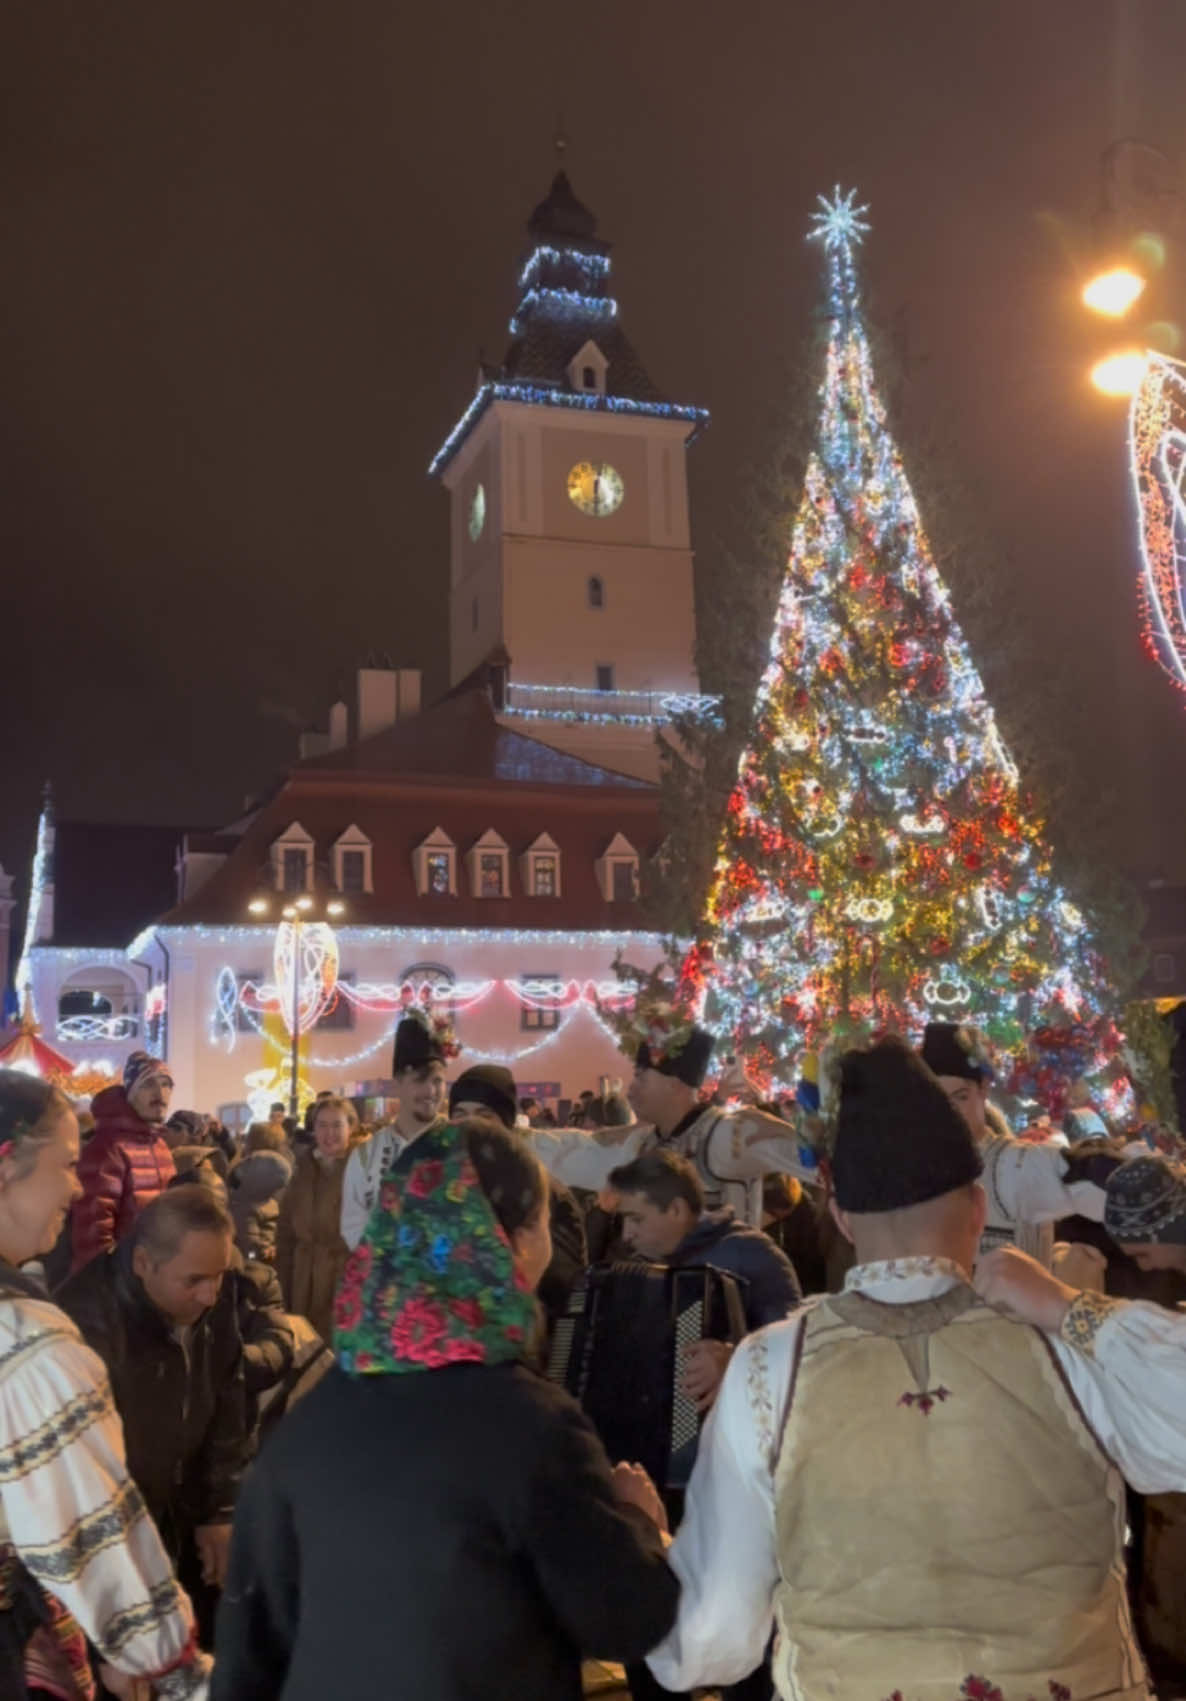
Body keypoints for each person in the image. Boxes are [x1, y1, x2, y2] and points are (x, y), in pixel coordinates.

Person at [647, 1036, 1186, 1698]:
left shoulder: (768, 1369)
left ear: (841, 1216)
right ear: (981, 1208)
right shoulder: (1060, 1345)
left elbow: (711, 1644)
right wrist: (1073, 1307)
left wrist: (648, 1541)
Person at [213, 1116, 676, 1701]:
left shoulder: (307, 1424)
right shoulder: (530, 1427)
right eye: (543, 1220)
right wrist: (639, 1524)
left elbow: (246, 1662)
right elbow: (627, 1618)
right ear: (509, 1241)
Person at [0, 1070, 210, 1700]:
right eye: (66, 1163)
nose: (76, 1183)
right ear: (7, 1167)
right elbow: (94, 1541)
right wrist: (172, 1669)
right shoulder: (31, 1351)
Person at [57, 1186, 248, 1633]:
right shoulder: (84, 1323)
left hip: (186, 1525)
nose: (211, 1295)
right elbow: (80, 1480)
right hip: (119, 1549)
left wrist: (219, 1508)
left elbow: (227, 1394)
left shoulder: (211, 1290)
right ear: (143, 1263)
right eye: (194, 1281)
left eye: (219, 1276)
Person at [530, 1026, 819, 1227]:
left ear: (674, 1083)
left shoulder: (728, 1133)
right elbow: (577, 1147)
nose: (630, 1091)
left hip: (728, 1298)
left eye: (642, 1078)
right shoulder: (644, 1143)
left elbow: (817, 1162)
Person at [920, 1020, 1118, 1263]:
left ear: (983, 1089)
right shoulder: (912, 1169)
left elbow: (1107, 1188)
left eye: (960, 1097)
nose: (949, 1114)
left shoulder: (1014, 1166)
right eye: (937, 1102)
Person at [449, 1065, 587, 1331]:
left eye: (484, 1115)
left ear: (507, 1124)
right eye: (460, 1115)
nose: (469, 1125)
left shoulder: (544, 1193)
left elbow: (566, 1289)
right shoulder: (444, 1190)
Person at [340, 1011, 451, 1250]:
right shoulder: (366, 1156)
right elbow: (352, 1225)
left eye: (437, 1081)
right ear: (397, 1085)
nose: (431, 1092)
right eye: (420, 1081)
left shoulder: (460, 1145)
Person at [71, 1052, 176, 1272]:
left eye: (166, 1085)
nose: (160, 1093)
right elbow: (93, 1227)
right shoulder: (108, 1147)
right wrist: (107, 1279)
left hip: (154, 1272)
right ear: (130, 1091)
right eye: (148, 1084)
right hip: (121, 1280)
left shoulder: (160, 1146)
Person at [276, 1095, 366, 1341]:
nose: (329, 1133)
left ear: (351, 1127)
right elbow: (285, 1232)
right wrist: (283, 1284)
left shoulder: (363, 1171)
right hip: (302, 1284)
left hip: (345, 1284)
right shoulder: (303, 1169)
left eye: (337, 1125)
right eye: (322, 1125)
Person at [228, 1132, 292, 1264]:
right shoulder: (270, 1203)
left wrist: (261, 1253)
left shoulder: (244, 1206)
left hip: (255, 1263)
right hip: (261, 1262)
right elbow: (251, 1245)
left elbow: (249, 1245)